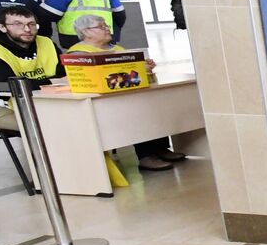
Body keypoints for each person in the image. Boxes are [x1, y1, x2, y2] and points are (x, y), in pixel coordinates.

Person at [68, 13, 185, 170]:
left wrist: (144, 68)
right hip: (103, 102)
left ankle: (160, 148)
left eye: (106, 26)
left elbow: (129, 71)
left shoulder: (117, 49)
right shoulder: (78, 54)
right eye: (101, 27)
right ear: (86, 31)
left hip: (129, 94)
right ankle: (145, 155)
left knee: (154, 106)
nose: (107, 29)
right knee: (136, 113)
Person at [0, 4, 58, 131]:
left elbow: (66, 72)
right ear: (2, 27)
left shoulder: (46, 43)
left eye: (31, 24)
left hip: (47, 101)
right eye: (18, 24)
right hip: (2, 108)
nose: (27, 29)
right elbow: (10, 86)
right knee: (51, 126)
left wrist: (40, 84)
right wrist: (52, 82)